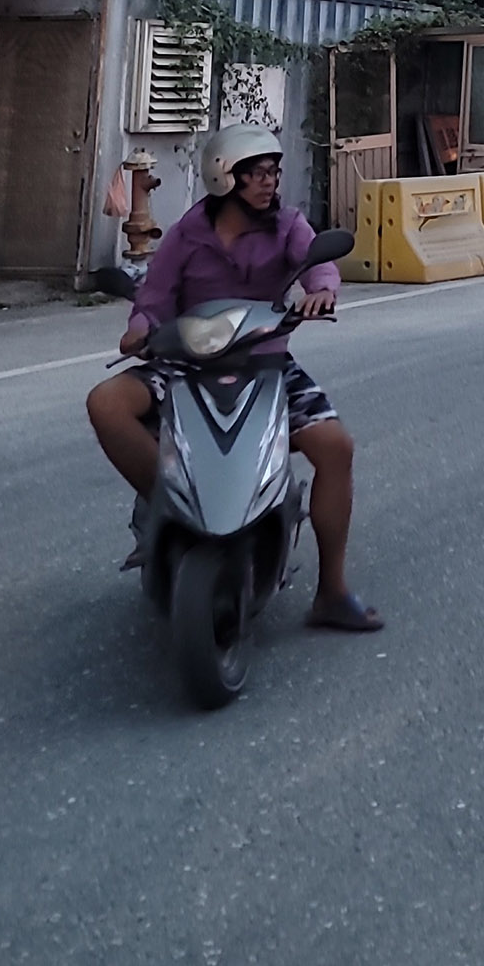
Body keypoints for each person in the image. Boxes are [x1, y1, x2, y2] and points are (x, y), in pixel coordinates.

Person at [86, 125, 382, 632]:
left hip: (263, 361)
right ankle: (173, 510)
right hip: (187, 361)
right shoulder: (187, 232)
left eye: (273, 173)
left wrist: (322, 293)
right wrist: (138, 329)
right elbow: (154, 297)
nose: (270, 184)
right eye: (257, 175)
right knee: (105, 402)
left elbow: (320, 269)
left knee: (336, 447)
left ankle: (332, 592)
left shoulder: (288, 226)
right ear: (225, 179)